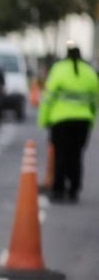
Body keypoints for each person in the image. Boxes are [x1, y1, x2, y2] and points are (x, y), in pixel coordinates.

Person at [38, 41, 98, 203]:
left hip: (60, 120)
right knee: (76, 155)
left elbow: (48, 98)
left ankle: (58, 190)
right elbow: (95, 100)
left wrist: (43, 119)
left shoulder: (59, 69)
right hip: (82, 121)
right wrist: (91, 119)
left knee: (61, 155)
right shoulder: (89, 72)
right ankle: (74, 189)